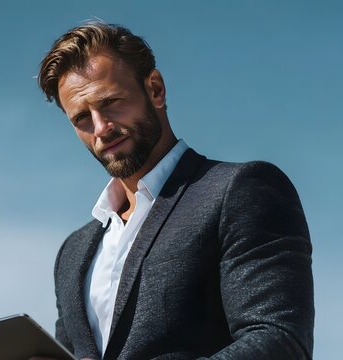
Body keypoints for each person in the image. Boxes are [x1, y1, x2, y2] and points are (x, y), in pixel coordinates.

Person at [33, 22, 314, 360]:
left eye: (111, 103)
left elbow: (279, 342)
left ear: (155, 89)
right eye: (82, 119)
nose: (101, 128)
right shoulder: (73, 252)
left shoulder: (239, 191)